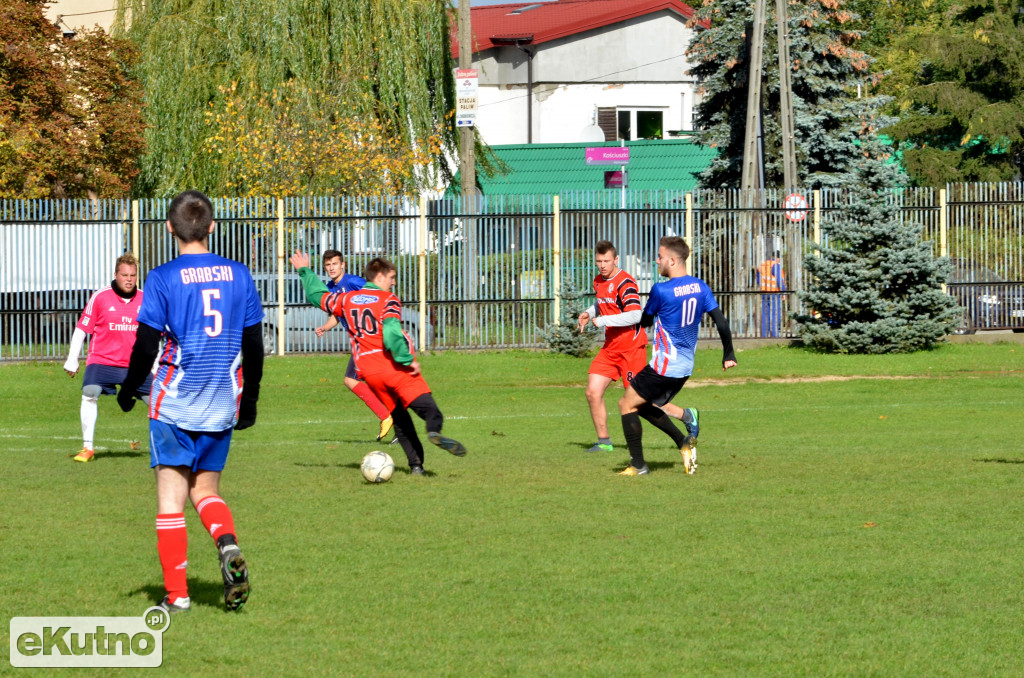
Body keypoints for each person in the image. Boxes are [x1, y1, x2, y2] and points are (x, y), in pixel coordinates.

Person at [117, 190, 264, 614]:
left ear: (169, 228)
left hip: (174, 404)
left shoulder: (162, 278)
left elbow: (145, 346)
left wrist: (128, 391)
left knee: (170, 499)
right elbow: (254, 345)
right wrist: (249, 399)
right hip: (222, 403)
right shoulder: (238, 274)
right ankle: (227, 543)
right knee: (206, 490)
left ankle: (178, 596)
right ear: (212, 226)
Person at [290, 250, 466, 475]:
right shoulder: (388, 299)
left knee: (400, 419)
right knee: (430, 411)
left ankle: (416, 467)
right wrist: (407, 360)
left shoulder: (345, 299)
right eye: (391, 278)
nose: (393, 283)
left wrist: (304, 271)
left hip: (368, 371)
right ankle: (434, 431)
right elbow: (392, 333)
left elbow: (317, 296)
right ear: (380, 277)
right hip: (392, 366)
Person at [617, 236, 737, 476]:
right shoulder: (701, 287)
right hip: (684, 368)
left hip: (664, 367)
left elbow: (647, 320)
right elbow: (721, 322)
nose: (656, 260)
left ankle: (638, 465)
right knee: (642, 405)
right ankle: (684, 440)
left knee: (626, 404)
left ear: (672, 260)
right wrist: (728, 354)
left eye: (660, 257)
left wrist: (629, 315)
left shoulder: (661, 290)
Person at [63, 253, 153, 462]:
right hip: (102, 360)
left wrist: (155, 364)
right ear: (115, 275)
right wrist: (72, 358)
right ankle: (88, 448)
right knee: (90, 392)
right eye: (124, 275)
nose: (129, 279)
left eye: (133, 275)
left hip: (135, 365)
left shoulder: (145, 298)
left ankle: (166, 449)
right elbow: (81, 329)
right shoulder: (100, 297)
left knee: (158, 403)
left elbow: (154, 334)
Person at [313, 249, 394, 442]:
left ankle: (386, 417)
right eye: (328, 265)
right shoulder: (330, 288)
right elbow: (337, 314)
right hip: (362, 341)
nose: (331, 268)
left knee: (351, 380)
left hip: (369, 339)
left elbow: (376, 292)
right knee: (377, 382)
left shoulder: (353, 282)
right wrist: (325, 327)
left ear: (343, 265)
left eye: (334, 264)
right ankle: (398, 425)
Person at [577, 241, 648, 453]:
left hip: (631, 348)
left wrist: (605, 321)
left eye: (606, 261)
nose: (602, 265)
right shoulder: (598, 281)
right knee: (592, 392)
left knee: (639, 402)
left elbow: (636, 314)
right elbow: (603, 302)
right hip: (611, 348)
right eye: (598, 261)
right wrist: (589, 313)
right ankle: (604, 442)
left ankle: (686, 415)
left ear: (616, 260)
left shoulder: (625, 282)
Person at [757, 252, 786, 338]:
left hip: (764, 293)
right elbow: (779, 281)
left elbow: (758, 281)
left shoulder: (762, 266)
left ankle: (764, 335)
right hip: (774, 293)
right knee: (775, 313)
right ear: (778, 258)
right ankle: (775, 335)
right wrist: (783, 292)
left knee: (765, 314)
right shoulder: (775, 266)